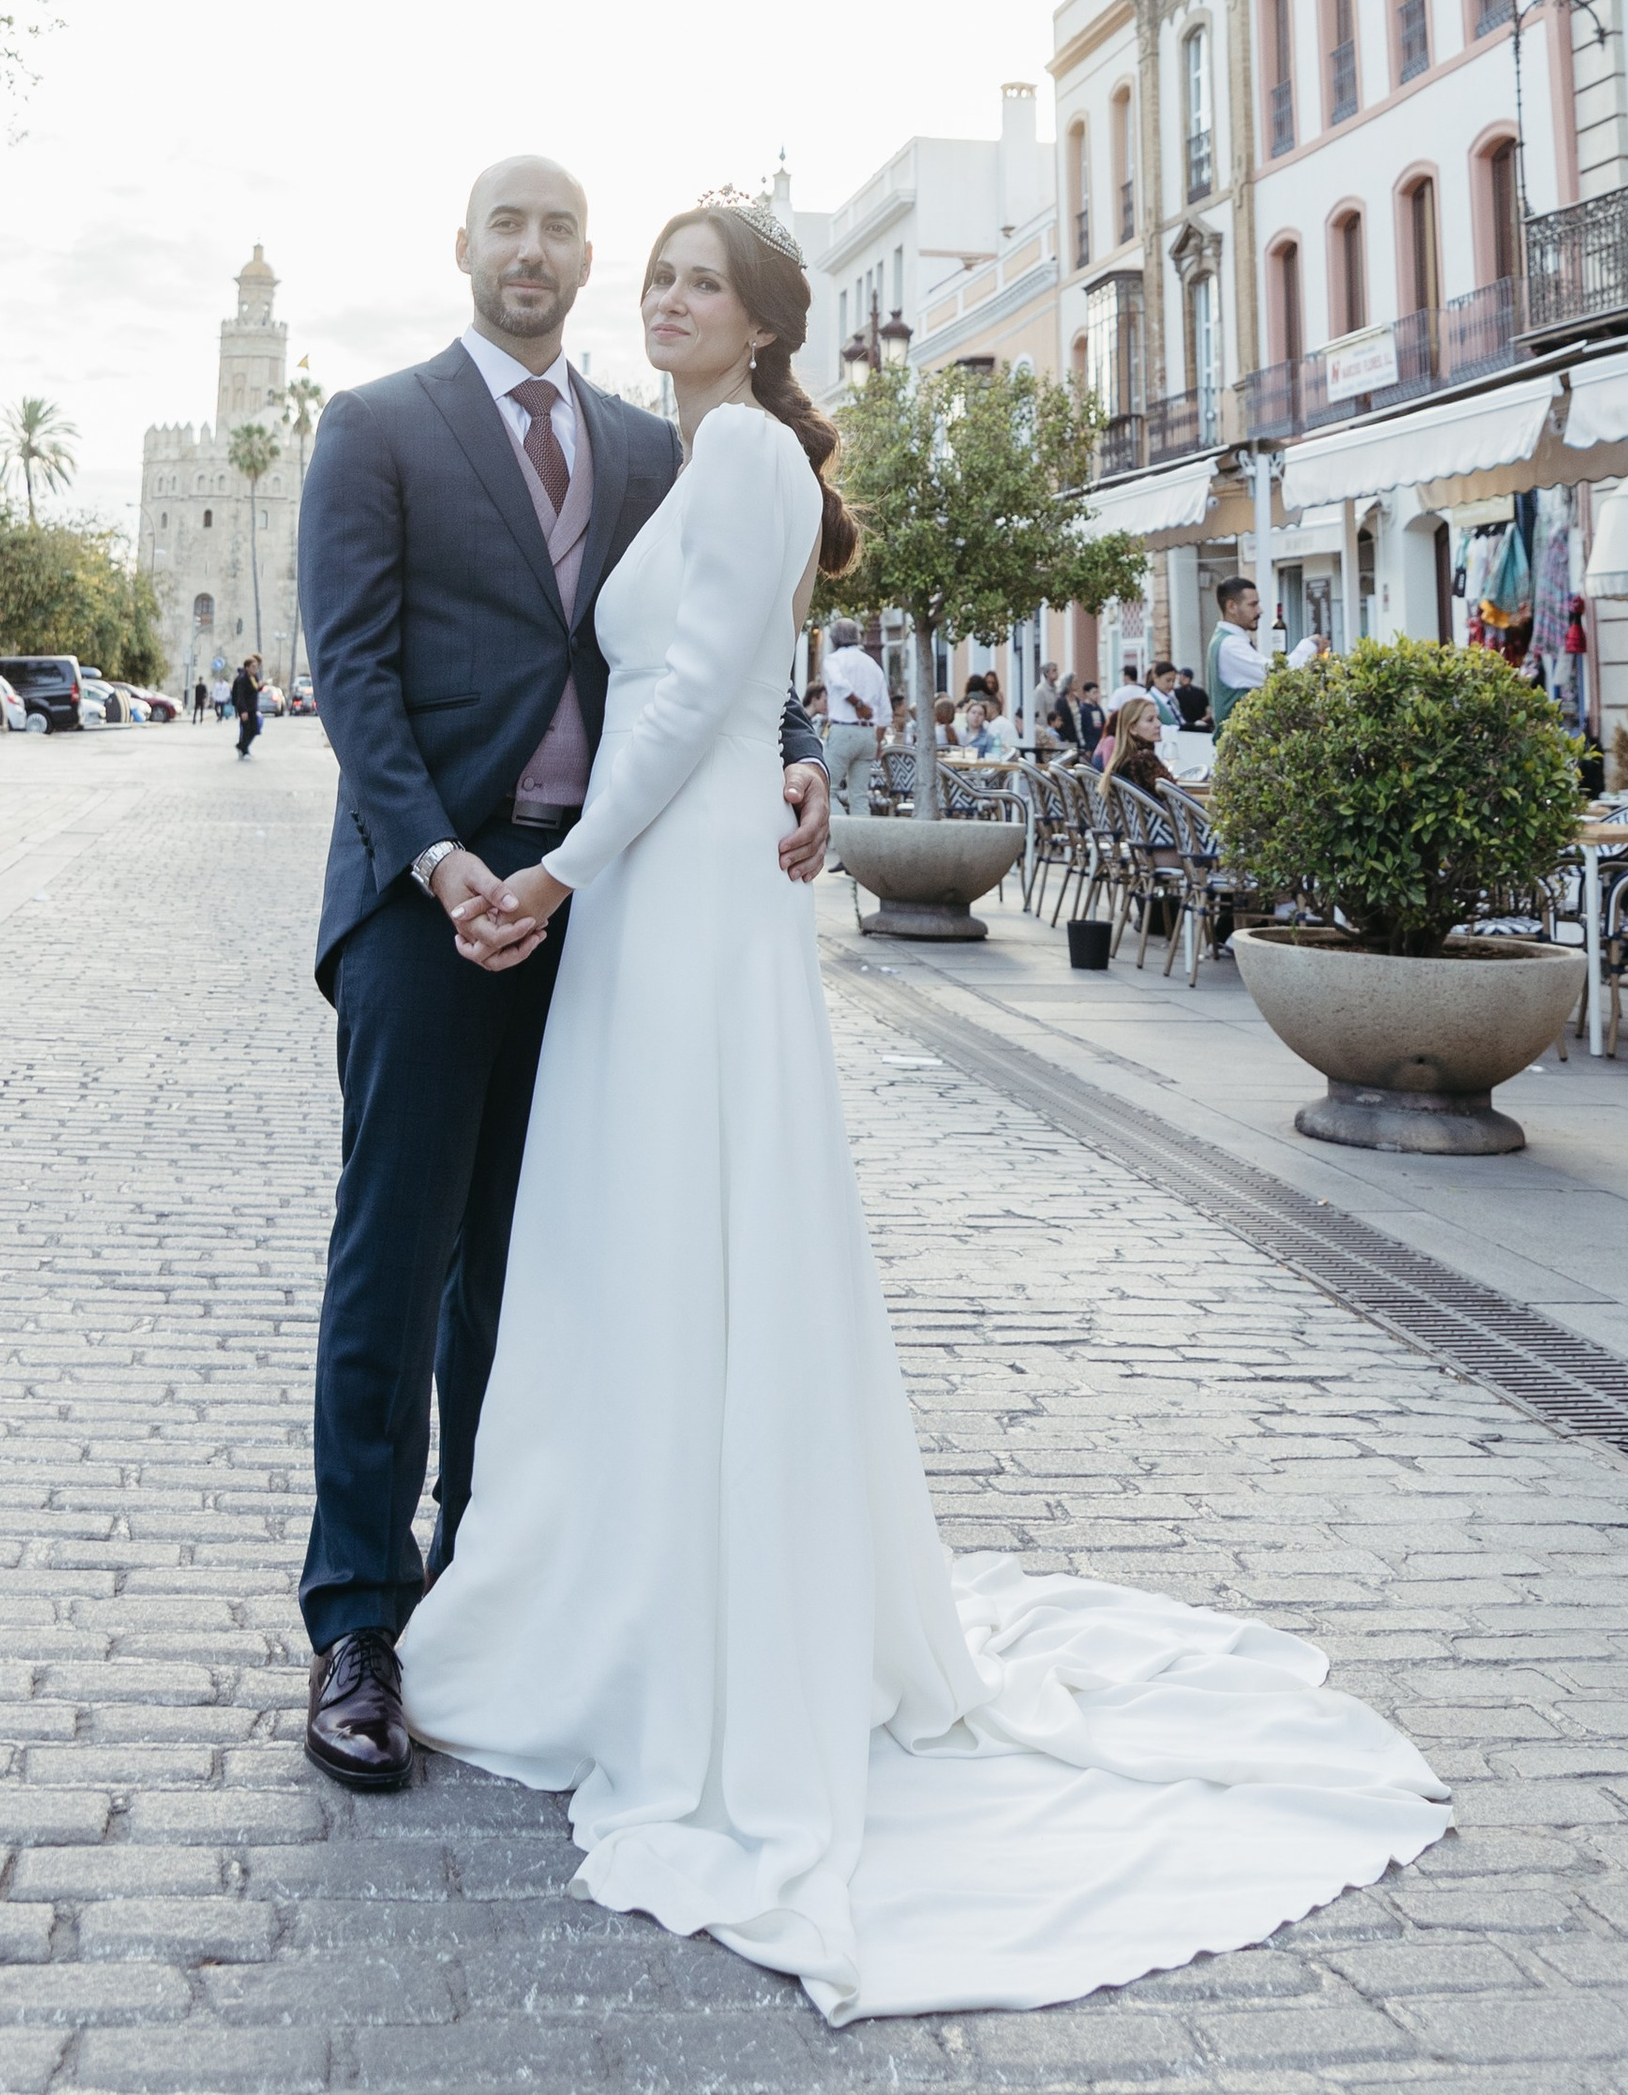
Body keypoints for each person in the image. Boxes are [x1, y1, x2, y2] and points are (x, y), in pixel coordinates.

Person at [403, 190, 1445, 2022]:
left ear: (764, 322)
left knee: (672, 1229)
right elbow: (727, 690)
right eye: (658, 273)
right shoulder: (708, 457)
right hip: (678, 886)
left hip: (676, 900)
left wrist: (560, 874)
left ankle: (676, 1623)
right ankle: (630, 1581)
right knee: (638, 1241)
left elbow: (686, 707)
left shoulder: (735, 473)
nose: (661, 296)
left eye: (696, 281)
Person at [295, 158, 830, 1794]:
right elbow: (352, 666)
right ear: (462, 250)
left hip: (604, 916)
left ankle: (492, 1578)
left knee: (536, 1267)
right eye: (504, 225)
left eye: (558, 230)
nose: (532, 252)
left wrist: (798, 755)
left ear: (585, 262)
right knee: (397, 1252)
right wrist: (442, 861)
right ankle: (360, 1624)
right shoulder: (373, 426)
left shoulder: (661, 442)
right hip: (429, 899)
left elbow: (704, 650)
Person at [820, 614, 891, 829]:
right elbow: (886, 711)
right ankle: (862, 844)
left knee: (826, 789)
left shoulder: (834, 660)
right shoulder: (872, 664)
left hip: (844, 729)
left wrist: (858, 705)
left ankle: (844, 836)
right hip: (868, 734)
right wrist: (877, 742)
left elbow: (840, 685)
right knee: (859, 795)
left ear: (834, 639)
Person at [1207, 577, 1270, 734]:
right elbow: (1274, 674)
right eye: (1252, 605)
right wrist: (1308, 646)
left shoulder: (1227, 640)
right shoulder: (1231, 645)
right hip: (1238, 746)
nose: (1259, 610)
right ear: (1231, 606)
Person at [229, 654, 263, 758]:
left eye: (257, 667)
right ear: (247, 667)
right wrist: (242, 710)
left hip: (252, 707)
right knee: (246, 729)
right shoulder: (242, 679)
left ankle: (242, 747)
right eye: (253, 667)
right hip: (245, 708)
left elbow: (255, 689)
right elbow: (240, 696)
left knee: (254, 729)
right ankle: (243, 749)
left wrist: (261, 686)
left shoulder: (254, 677)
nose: (255, 669)